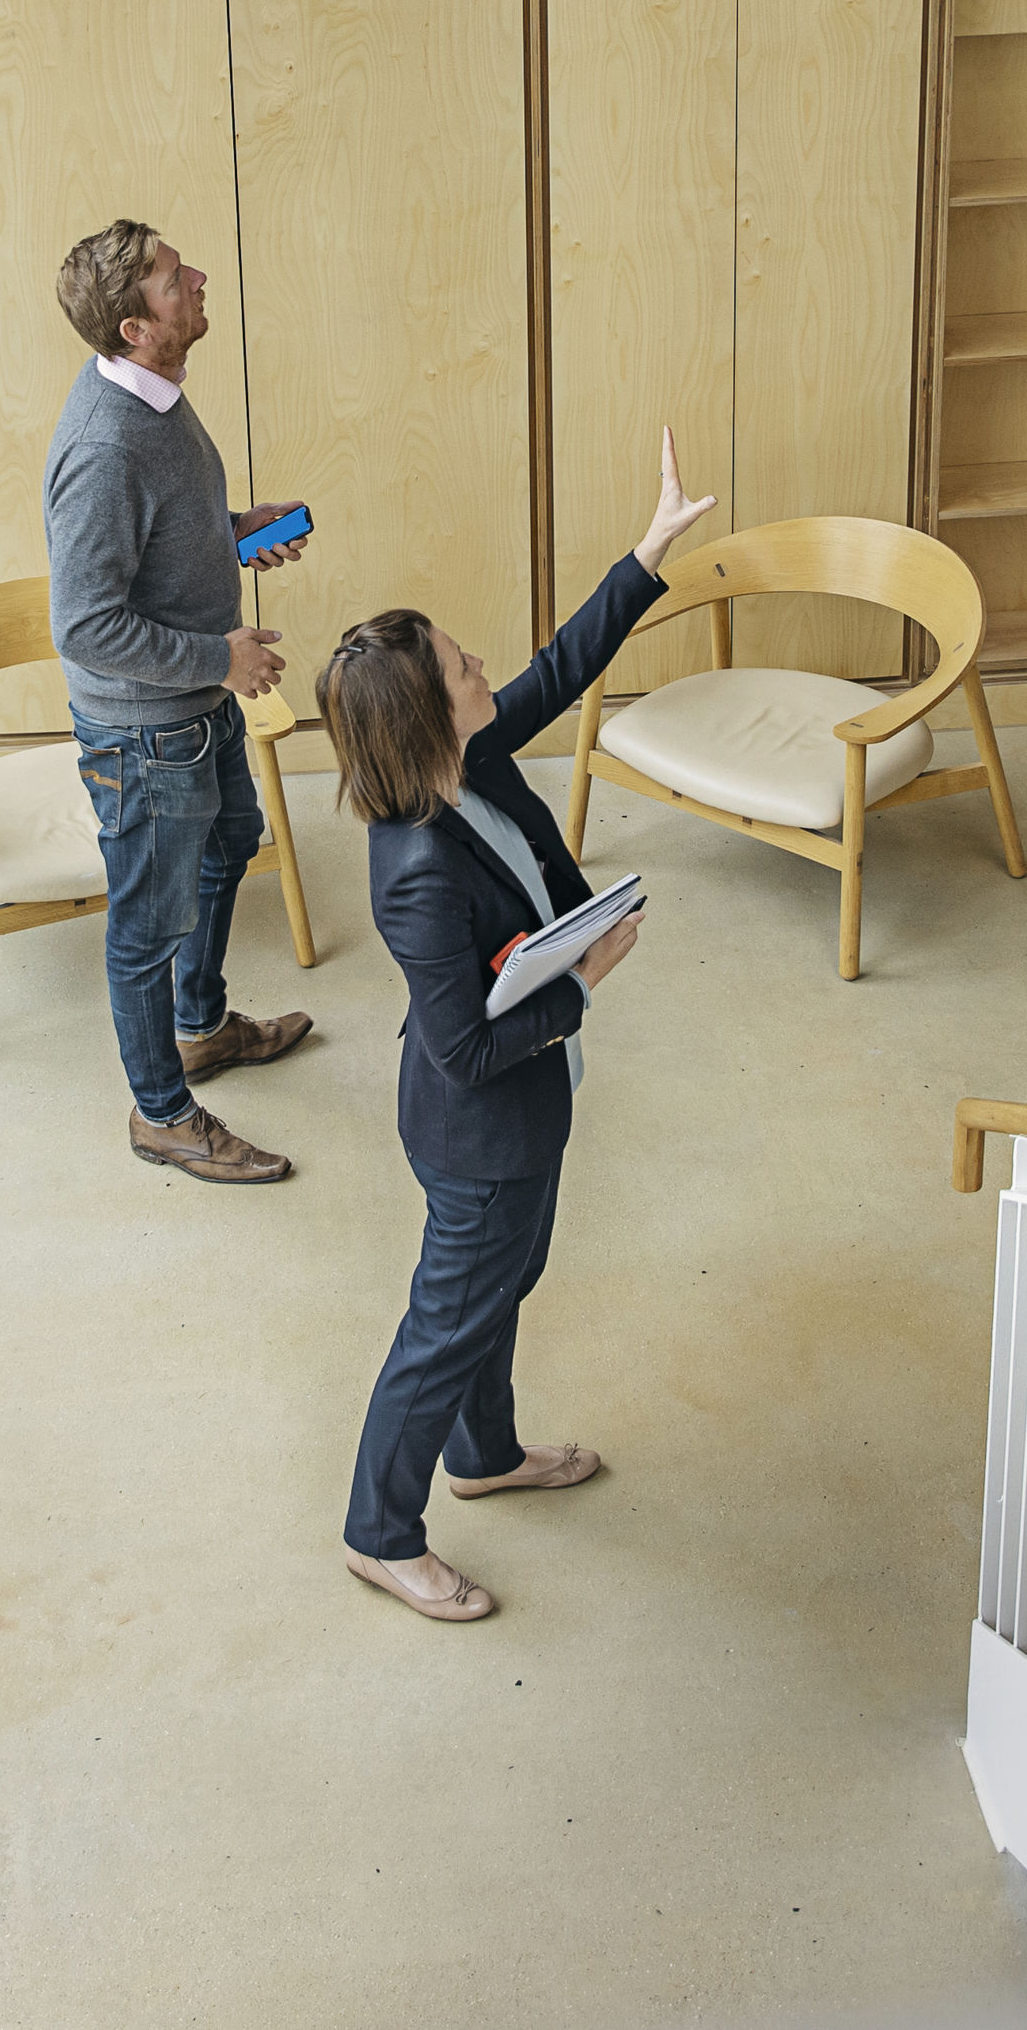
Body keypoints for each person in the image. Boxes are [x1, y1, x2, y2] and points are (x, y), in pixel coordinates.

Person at [316, 429, 717, 1621]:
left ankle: (485, 1457)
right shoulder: (414, 875)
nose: (482, 663)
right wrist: (584, 976)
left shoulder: (466, 754)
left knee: (507, 1281)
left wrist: (646, 554)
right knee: (446, 1323)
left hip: (521, 1122)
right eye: (458, 664)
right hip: (478, 1132)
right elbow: (469, 1046)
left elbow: (557, 667)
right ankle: (377, 1532)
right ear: (423, 720)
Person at [45, 219, 314, 1186]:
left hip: (194, 704)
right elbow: (83, 625)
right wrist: (220, 654)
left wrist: (233, 533)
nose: (195, 276)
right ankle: (162, 1112)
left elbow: (162, 537)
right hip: (148, 730)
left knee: (233, 839)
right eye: (170, 278)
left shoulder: (155, 397)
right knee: (144, 928)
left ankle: (199, 1028)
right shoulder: (104, 448)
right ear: (133, 327)